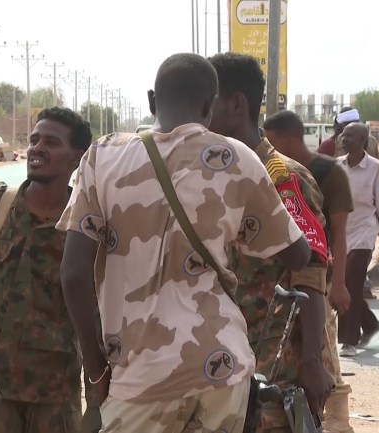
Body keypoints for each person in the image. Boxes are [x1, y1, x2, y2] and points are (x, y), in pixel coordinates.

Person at [59, 53, 311, 433]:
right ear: (210, 106)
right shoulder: (237, 159)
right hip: (220, 365)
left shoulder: (103, 157)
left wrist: (96, 371)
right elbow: (298, 253)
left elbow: (74, 273)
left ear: (151, 100)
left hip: (141, 377)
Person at [208, 52, 334, 430]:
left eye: (206, 103)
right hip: (218, 362)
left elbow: (311, 272)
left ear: (235, 104)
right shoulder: (207, 176)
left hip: (273, 367)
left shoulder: (280, 178)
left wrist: (312, 361)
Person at [0, 107, 92, 433]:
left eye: (51, 142)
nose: (38, 148)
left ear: (76, 157)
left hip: (57, 395)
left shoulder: (86, 224)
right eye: (35, 140)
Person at [262, 110, 356, 433]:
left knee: (324, 357)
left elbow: (339, 236)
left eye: (271, 141)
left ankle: (339, 425)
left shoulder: (327, 173)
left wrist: (339, 284)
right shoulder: (271, 173)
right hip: (291, 283)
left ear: (289, 138)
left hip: (318, 280)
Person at [335, 123, 379, 356]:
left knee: (352, 282)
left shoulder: (375, 168)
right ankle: (369, 323)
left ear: (362, 140)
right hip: (342, 235)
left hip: (365, 234)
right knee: (346, 284)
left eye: (349, 136)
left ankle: (350, 340)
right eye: (343, 135)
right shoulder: (337, 166)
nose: (343, 139)